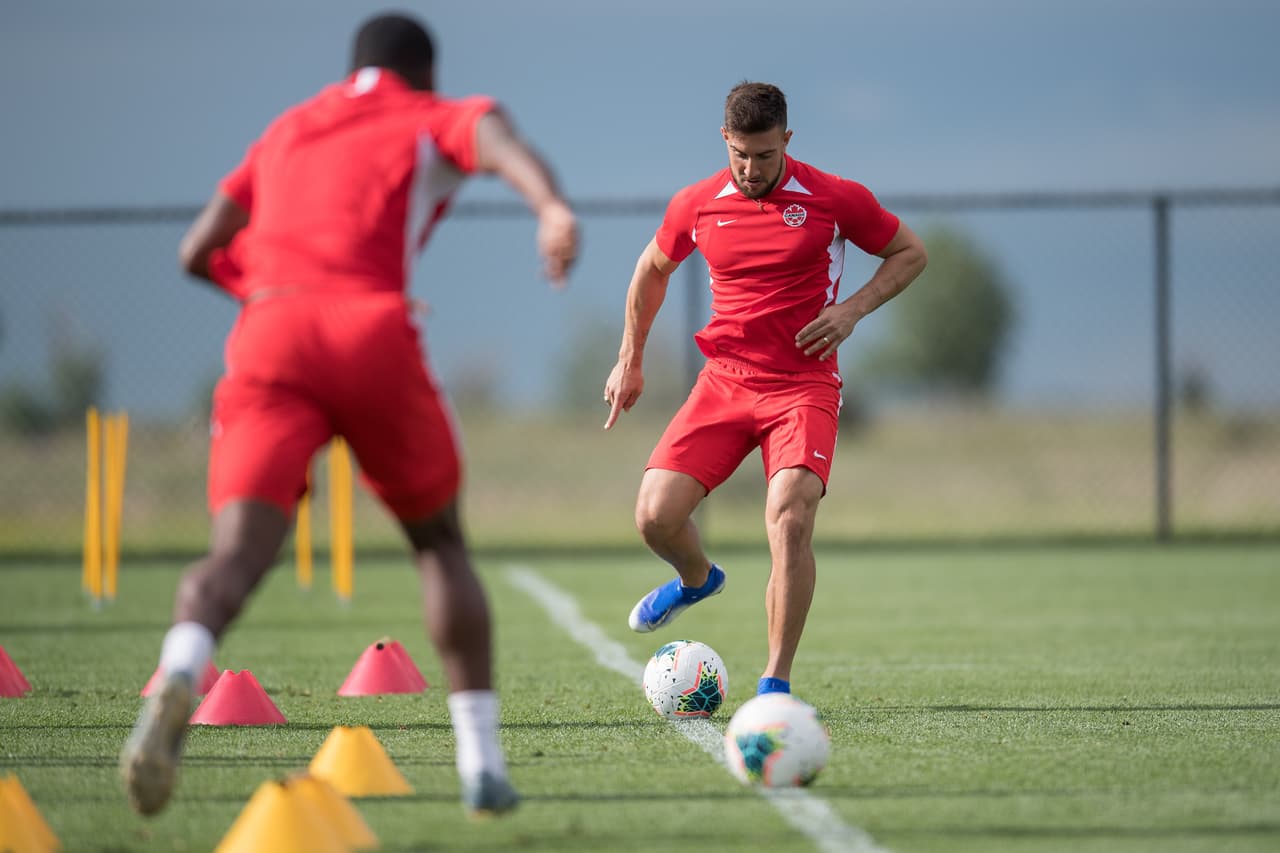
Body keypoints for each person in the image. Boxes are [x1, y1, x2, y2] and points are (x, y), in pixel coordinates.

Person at [120, 12, 578, 819]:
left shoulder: (288, 128)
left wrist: (274, 293)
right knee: (440, 544)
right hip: (368, 328)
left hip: (268, 331)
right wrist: (551, 208)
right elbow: (497, 140)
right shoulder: (429, 114)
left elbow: (196, 250)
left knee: (235, 554)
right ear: (424, 73)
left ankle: (182, 669)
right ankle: (481, 764)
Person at [603, 81, 925, 697]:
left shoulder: (834, 197)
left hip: (804, 385)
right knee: (654, 518)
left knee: (790, 517)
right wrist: (630, 359)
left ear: (787, 141)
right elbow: (650, 271)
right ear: (725, 139)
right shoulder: (696, 204)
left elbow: (910, 252)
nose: (752, 169)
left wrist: (852, 310)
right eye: (741, 155)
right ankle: (697, 579)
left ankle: (775, 686)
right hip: (724, 382)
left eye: (765, 156)